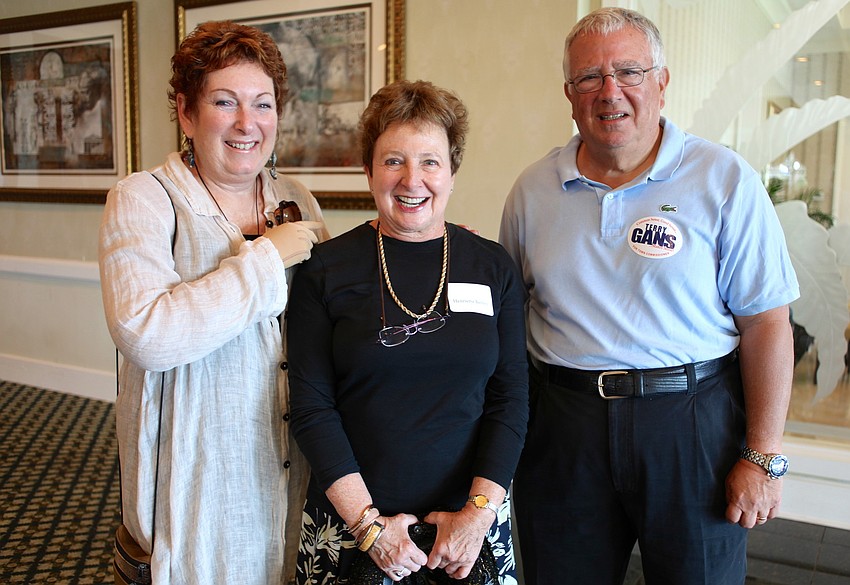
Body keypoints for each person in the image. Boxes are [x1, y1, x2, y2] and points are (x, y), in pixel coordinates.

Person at [499, 8, 799, 585]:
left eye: (629, 72)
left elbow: (767, 322)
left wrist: (763, 454)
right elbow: (512, 322)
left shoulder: (725, 180)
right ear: (569, 93)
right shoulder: (532, 192)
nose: (610, 92)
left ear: (661, 83)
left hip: (690, 427)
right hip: (564, 428)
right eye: (589, 77)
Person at [98, 20, 329, 585]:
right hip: (196, 476)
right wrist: (265, 261)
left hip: (289, 454)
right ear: (186, 112)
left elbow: (330, 319)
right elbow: (146, 333)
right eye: (225, 102)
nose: (248, 123)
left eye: (263, 104)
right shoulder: (144, 199)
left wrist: (423, 255)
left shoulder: (296, 199)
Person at [286, 80, 528, 584]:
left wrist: (477, 515)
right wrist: (368, 527)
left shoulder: (492, 266)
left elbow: (511, 399)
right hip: (353, 523)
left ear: (453, 171)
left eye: (430, 161)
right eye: (393, 160)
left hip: (469, 530)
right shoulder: (326, 270)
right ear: (368, 170)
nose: (411, 180)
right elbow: (311, 408)